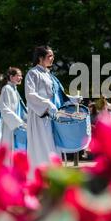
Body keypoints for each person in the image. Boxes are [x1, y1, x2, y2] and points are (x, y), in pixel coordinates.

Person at [25, 46, 82, 174]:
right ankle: (40, 176)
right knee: (43, 147)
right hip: (41, 117)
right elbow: (30, 94)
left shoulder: (49, 75)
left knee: (53, 147)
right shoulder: (33, 73)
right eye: (50, 56)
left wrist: (73, 99)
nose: (52, 59)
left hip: (52, 116)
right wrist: (47, 105)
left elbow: (59, 95)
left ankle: (54, 175)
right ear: (40, 58)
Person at [0, 67, 27, 163]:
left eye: (21, 76)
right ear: (11, 77)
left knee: (14, 151)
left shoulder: (14, 90)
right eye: (18, 75)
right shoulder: (7, 88)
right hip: (9, 125)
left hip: (14, 124)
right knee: (8, 150)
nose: (21, 78)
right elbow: (2, 107)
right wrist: (17, 121)